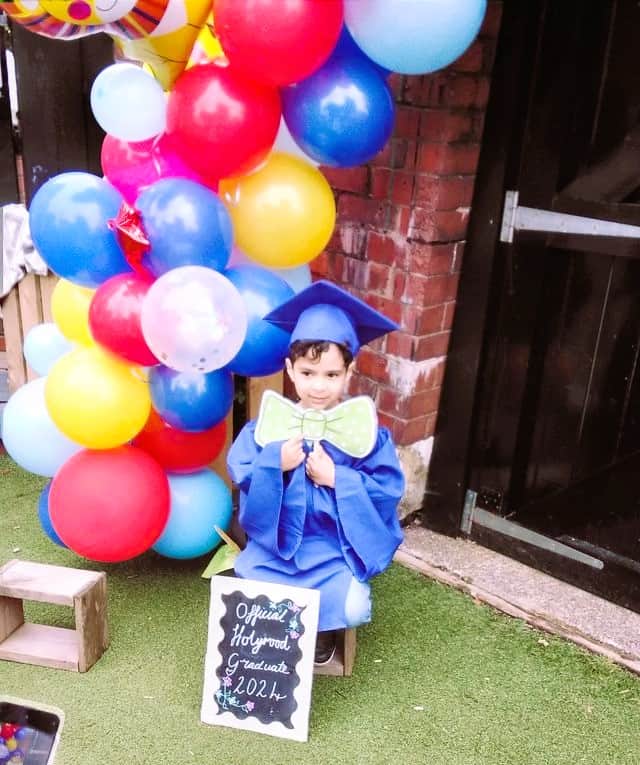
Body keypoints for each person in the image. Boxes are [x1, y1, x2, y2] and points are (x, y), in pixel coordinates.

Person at [226, 281, 405, 664]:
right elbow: (242, 472)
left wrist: (340, 480)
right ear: (290, 370)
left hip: (332, 549)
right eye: (308, 373)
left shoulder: (365, 435)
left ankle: (322, 631)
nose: (319, 386)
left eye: (331, 375)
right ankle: (272, 639)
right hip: (277, 548)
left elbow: (387, 491)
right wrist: (276, 464)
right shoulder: (268, 429)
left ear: (349, 372)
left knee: (353, 607)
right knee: (251, 581)